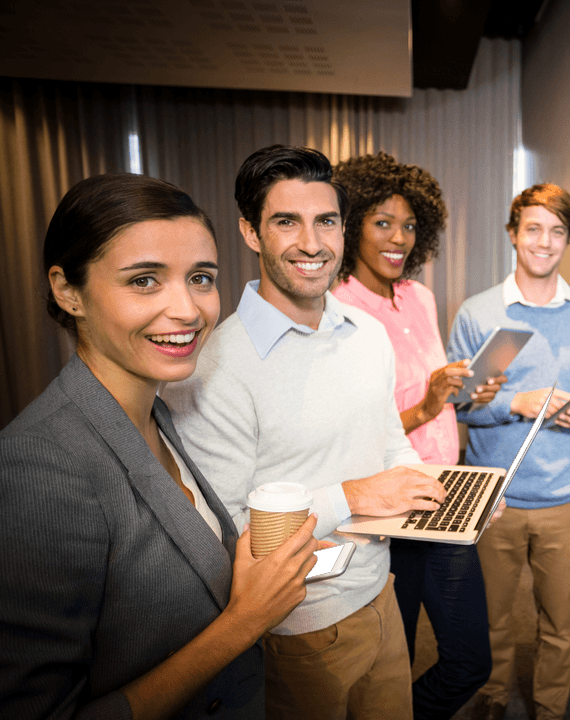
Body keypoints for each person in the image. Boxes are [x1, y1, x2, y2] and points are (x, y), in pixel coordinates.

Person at [0, 174, 320, 719]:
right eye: (144, 281)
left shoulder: (156, 413)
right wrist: (243, 622)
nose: (188, 310)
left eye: (200, 278)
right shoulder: (34, 470)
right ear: (67, 291)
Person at [161, 145, 448, 720]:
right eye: (287, 222)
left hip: (382, 594)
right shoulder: (215, 368)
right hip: (298, 627)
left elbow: (391, 442)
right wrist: (355, 495)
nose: (312, 244)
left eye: (327, 221)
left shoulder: (367, 333)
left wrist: (443, 492)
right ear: (251, 231)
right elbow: (225, 530)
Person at [331, 152, 506, 720]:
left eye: (409, 225)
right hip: (388, 511)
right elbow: (356, 431)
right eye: (382, 222)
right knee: (391, 666)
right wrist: (428, 404)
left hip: (444, 491)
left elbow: (431, 395)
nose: (399, 238)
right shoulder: (338, 310)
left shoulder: (421, 298)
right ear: (352, 225)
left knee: (469, 662)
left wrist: (464, 393)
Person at [447, 184, 570, 720]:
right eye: (534, 229)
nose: (544, 242)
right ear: (513, 233)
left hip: (564, 500)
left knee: (559, 623)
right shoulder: (478, 314)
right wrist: (517, 403)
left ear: (567, 239)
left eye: (557, 231)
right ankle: (494, 695)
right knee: (492, 617)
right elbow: (456, 406)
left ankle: (550, 707)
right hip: (492, 498)